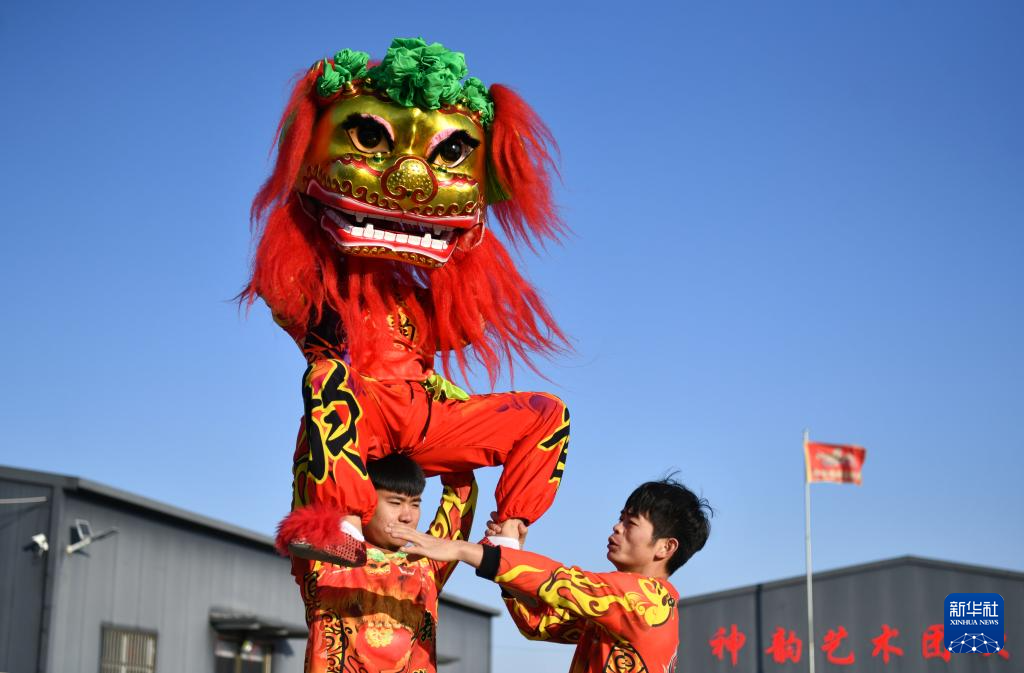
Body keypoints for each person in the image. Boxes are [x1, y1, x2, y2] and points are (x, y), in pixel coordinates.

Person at [387, 477, 712, 673]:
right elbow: (540, 623)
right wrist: (508, 549)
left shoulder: (646, 599)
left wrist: (460, 549)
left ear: (665, 547)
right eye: (620, 518)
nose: (617, 527)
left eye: (631, 523)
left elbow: (561, 581)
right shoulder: (617, 610)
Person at [295, 454, 477, 673]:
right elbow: (311, 469)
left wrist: (422, 443)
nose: (407, 516)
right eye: (395, 503)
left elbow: (461, 493)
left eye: (415, 504)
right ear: (364, 503)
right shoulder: (324, 557)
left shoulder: (427, 564)